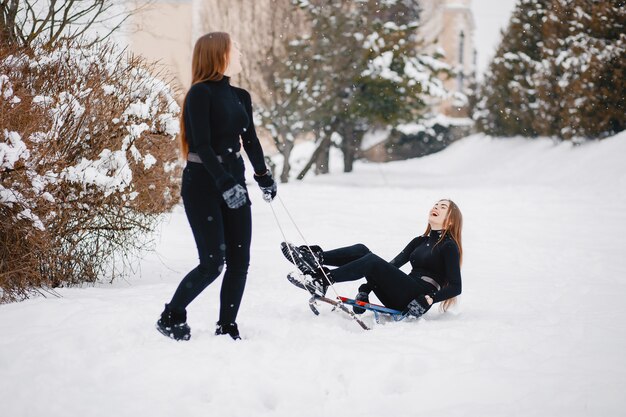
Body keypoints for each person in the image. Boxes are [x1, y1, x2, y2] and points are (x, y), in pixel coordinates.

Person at [156, 32, 277, 341]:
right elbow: (202, 145)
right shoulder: (200, 94)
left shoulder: (241, 96)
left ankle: (227, 326)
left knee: (240, 261)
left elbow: (249, 141)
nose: (239, 51)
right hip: (203, 184)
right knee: (212, 264)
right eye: (234, 47)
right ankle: (172, 315)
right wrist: (224, 183)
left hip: (234, 180)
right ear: (218, 54)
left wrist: (263, 176)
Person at [282, 199, 462, 317]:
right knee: (362, 251)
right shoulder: (418, 241)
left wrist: (430, 298)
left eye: (442, 207)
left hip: (416, 300)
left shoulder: (449, 246)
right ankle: (315, 259)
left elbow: (456, 286)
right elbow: (392, 266)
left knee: (372, 260)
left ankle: (322, 280)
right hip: (401, 290)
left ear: (451, 220)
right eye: (435, 205)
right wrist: (365, 291)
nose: (435, 208)